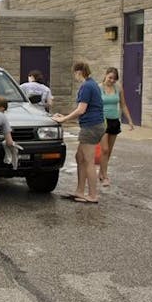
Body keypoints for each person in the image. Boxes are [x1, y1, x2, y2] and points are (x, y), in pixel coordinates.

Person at [52, 62, 105, 203]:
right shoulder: (92, 84)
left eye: (75, 73)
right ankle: (80, 191)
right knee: (79, 157)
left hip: (91, 127)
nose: (75, 76)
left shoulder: (87, 86)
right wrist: (64, 116)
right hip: (94, 125)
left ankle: (93, 195)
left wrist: (64, 119)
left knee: (88, 161)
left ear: (79, 72)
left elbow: (81, 109)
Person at [98, 67, 135, 186]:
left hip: (114, 121)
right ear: (105, 75)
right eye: (110, 78)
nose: (112, 80)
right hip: (102, 121)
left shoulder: (118, 88)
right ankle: (105, 177)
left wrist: (129, 120)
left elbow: (123, 105)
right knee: (104, 149)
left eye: (114, 79)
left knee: (109, 151)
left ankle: (102, 172)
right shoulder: (98, 88)